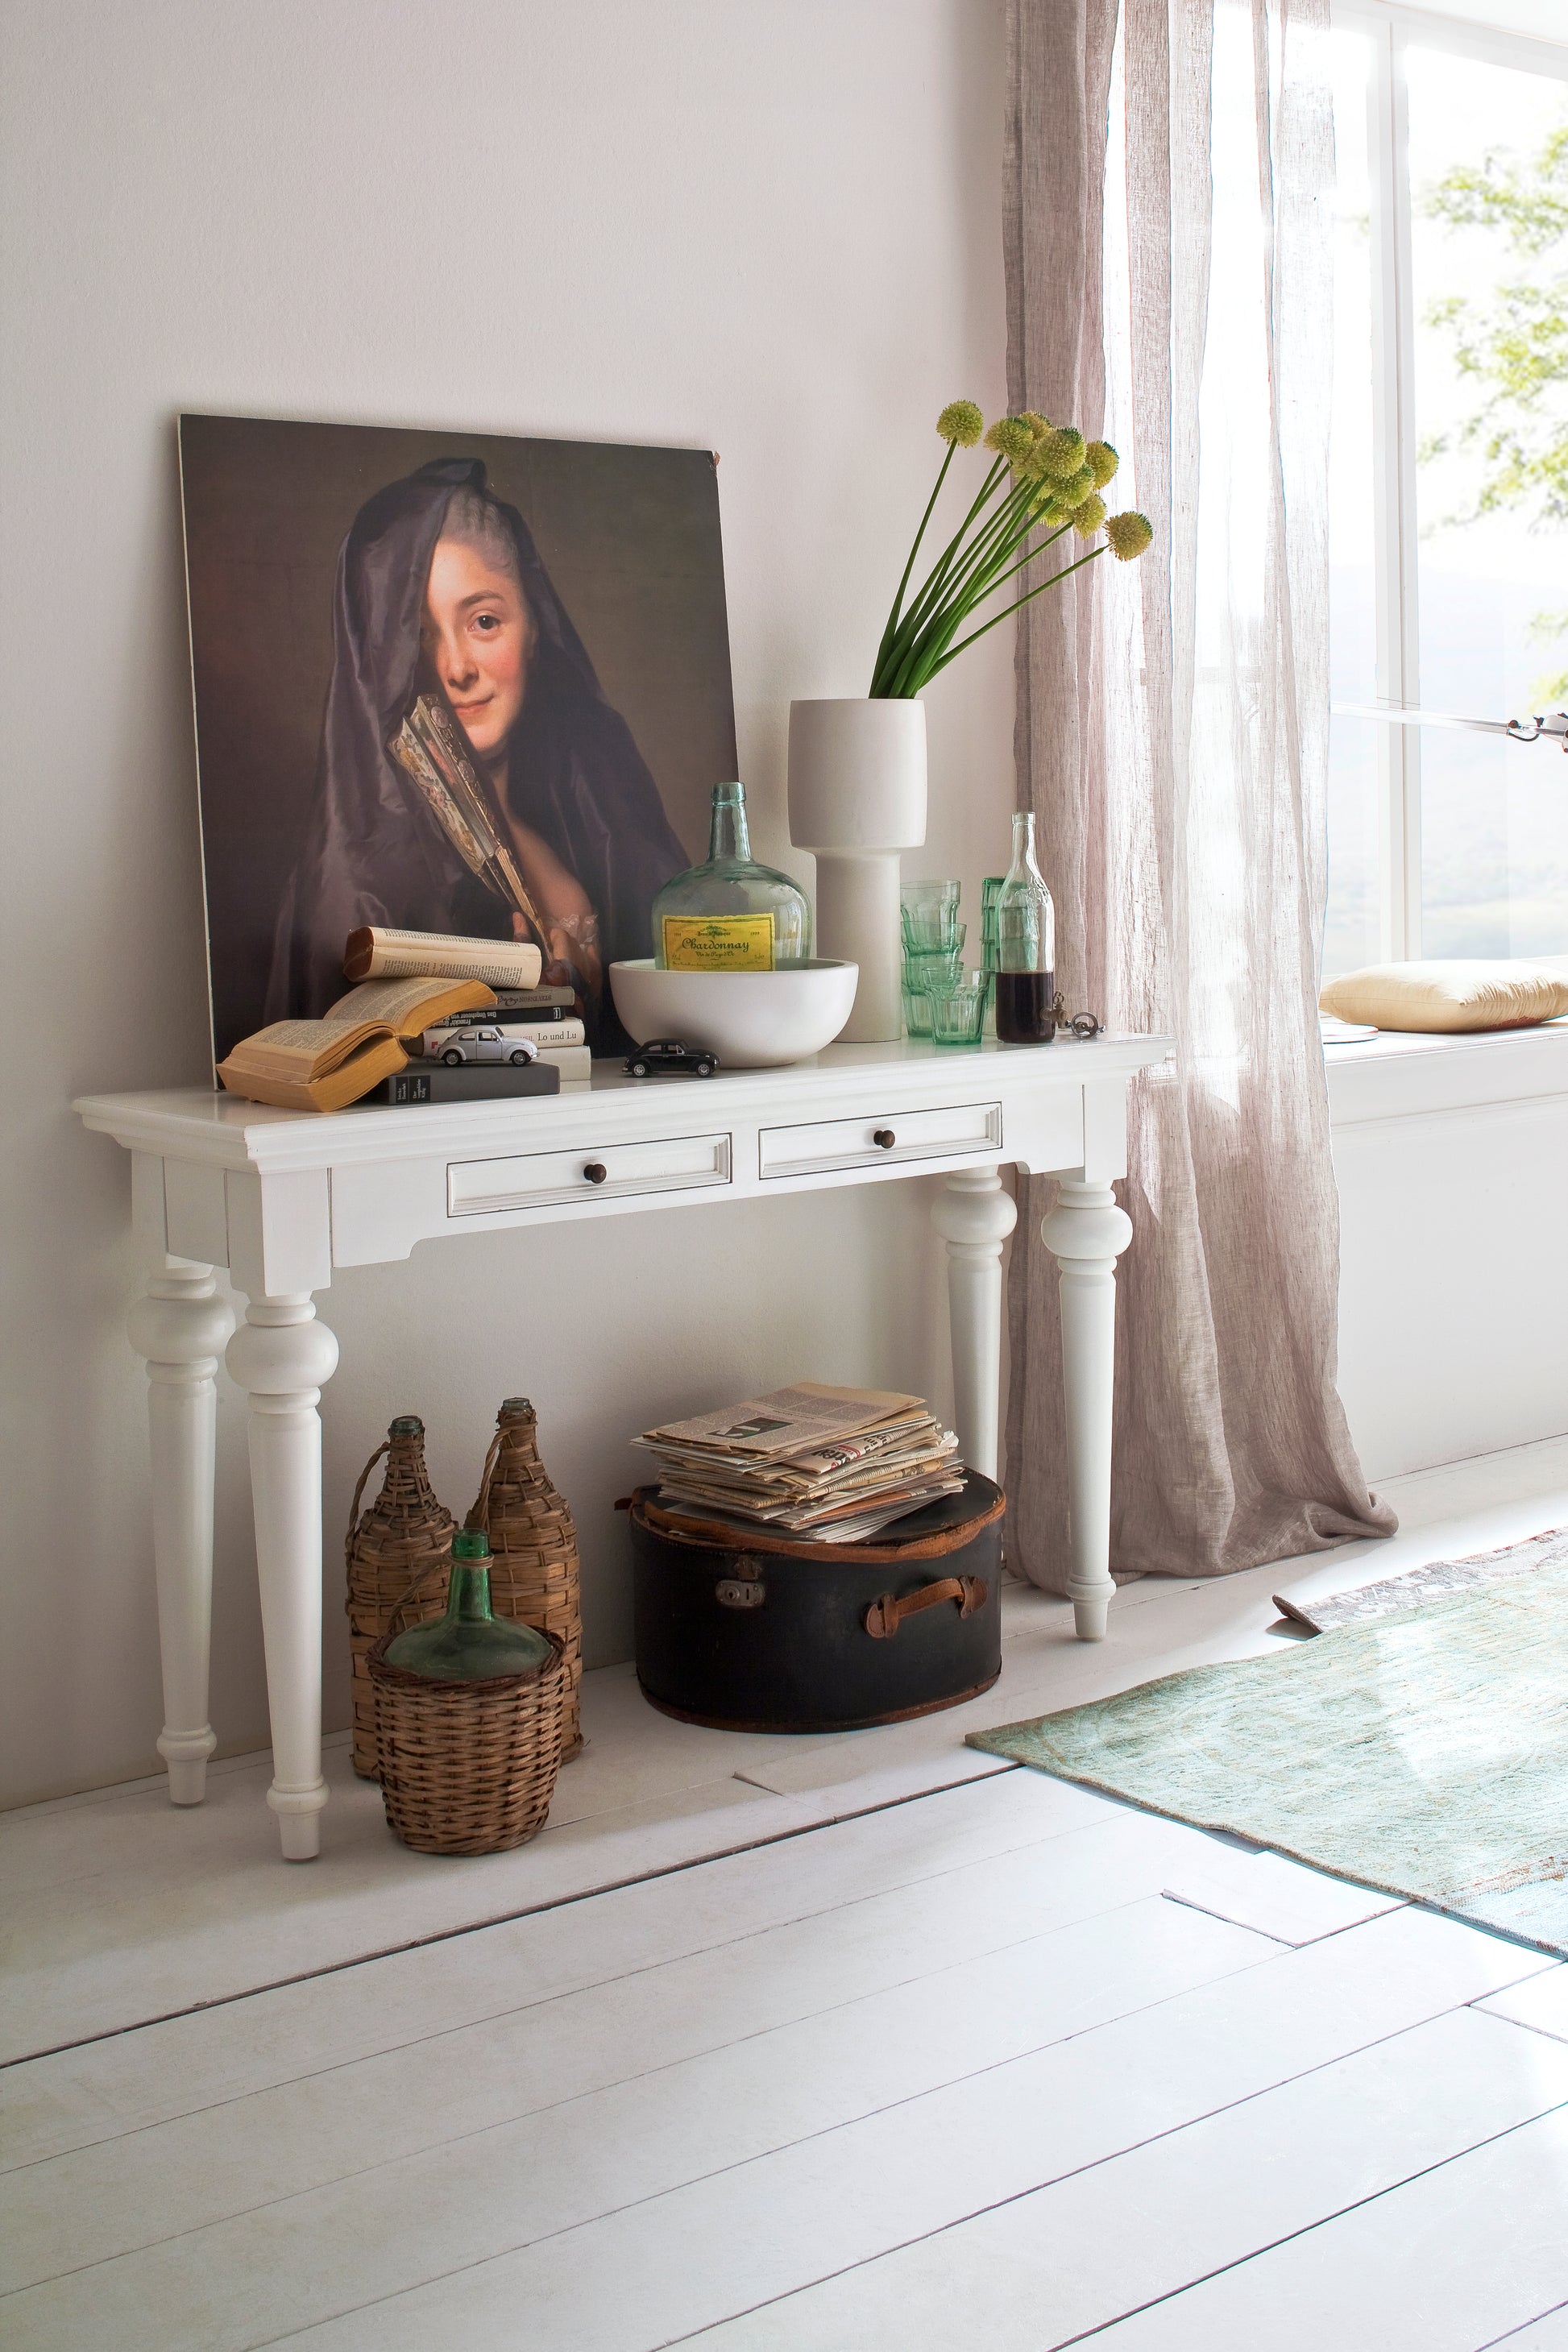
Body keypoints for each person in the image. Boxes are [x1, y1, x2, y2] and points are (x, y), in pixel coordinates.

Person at [265, 456, 689, 1047]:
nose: (457, 668)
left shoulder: (595, 809)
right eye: (419, 636)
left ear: (533, 629)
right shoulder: (361, 875)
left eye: (484, 621)